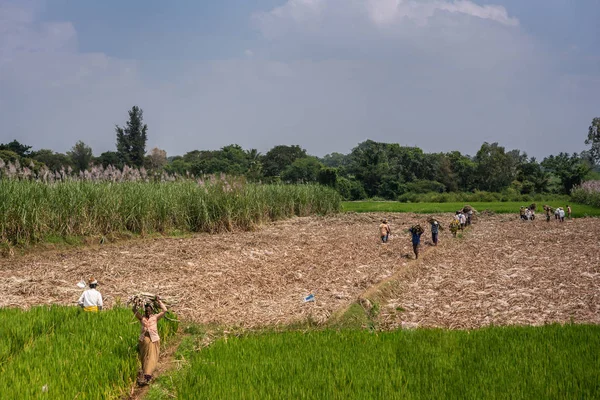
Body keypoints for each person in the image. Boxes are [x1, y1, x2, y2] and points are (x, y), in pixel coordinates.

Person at [133, 296, 168, 386]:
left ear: (152, 310)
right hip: (144, 340)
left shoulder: (155, 317)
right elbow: (134, 310)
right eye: (146, 311)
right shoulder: (142, 318)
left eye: (149, 310)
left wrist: (159, 301)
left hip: (154, 340)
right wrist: (136, 302)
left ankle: (148, 376)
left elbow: (165, 310)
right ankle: (145, 373)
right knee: (144, 357)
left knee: (151, 357)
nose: (147, 312)